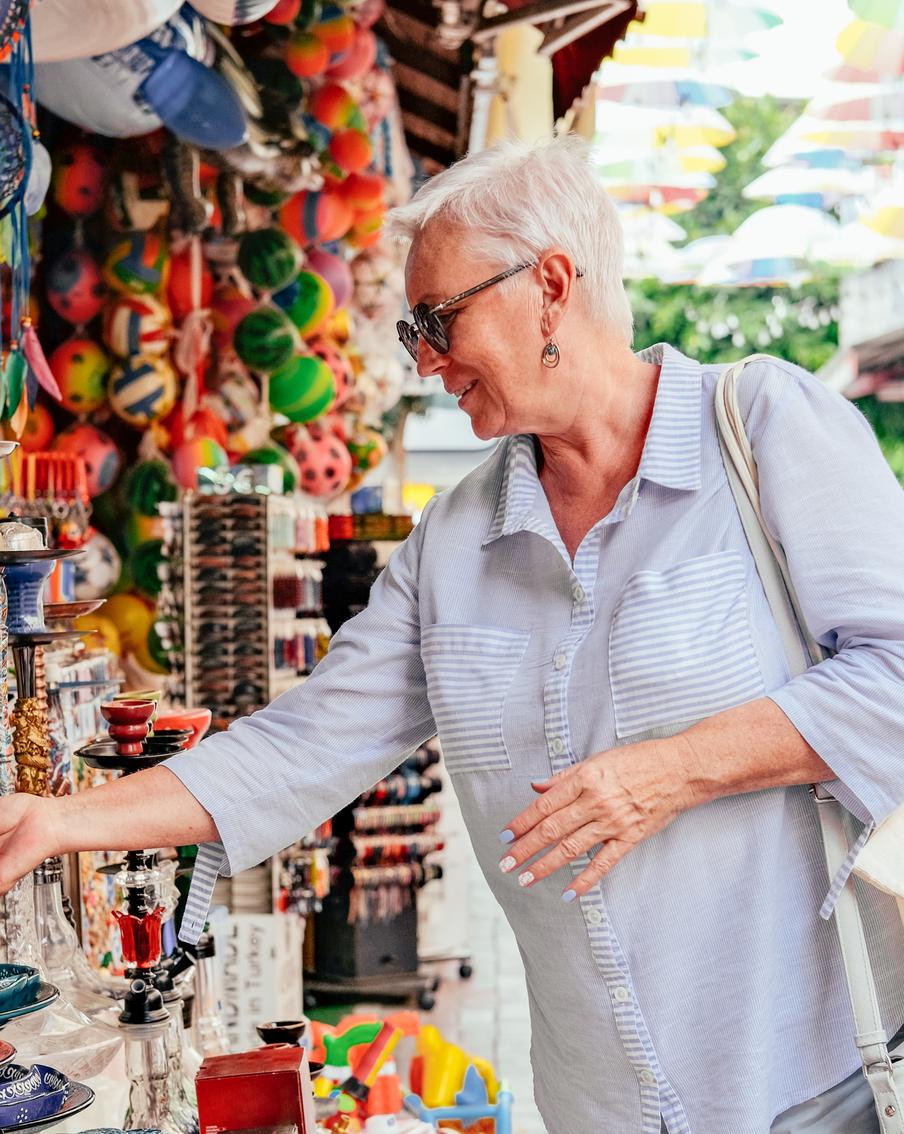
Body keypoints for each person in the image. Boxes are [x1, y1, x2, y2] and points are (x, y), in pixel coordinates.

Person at [3, 135, 904, 1134]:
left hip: (813, 1093)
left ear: (550, 285)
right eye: (411, 335)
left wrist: (671, 770)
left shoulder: (766, 426)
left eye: (438, 321)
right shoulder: (460, 538)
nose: (427, 364)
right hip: (594, 1108)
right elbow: (305, 746)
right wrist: (60, 822)